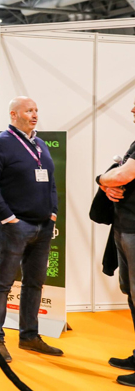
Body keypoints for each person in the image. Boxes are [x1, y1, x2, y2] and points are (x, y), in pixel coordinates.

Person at [0, 96, 63, 363]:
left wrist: (53, 212)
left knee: (35, 284)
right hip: (14, 227)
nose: (34, 114)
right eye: (28, 111)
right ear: (13, 115)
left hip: (43, 226)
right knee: (2, 284)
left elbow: (50, 181)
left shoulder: (40, 144)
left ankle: (29, 336)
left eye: (36, 110)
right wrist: (8, 218)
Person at [97, 97, 135, 386]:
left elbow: (122, 174)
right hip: (125, 228)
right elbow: (120, 178)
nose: (132, 109)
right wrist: (109, 186)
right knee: (132, 296)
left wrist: (102, 179)